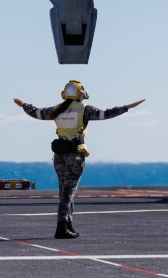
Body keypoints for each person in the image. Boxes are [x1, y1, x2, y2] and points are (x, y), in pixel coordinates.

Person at [14, 81, 145, 239]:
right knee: (68, 193)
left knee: (64, 190)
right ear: (80, 93)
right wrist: (127, 107)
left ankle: (68, 225)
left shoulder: (56, 109)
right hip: (75, 155)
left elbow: (36, 112)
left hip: (59, 156)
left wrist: (24, 104)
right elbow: (107, 114)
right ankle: (61, 227)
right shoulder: (84, 110)